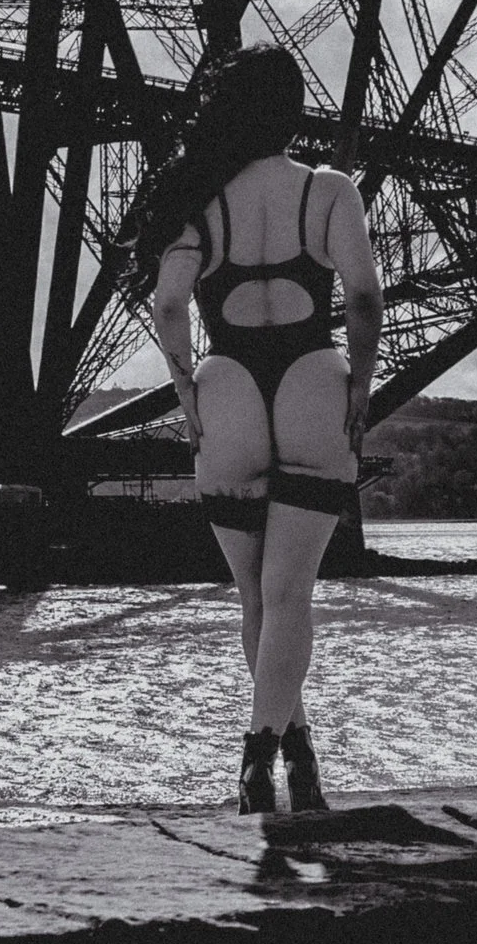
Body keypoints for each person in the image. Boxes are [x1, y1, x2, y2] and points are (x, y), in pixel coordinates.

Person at [131, 46, 383, 813]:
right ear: (293, 112)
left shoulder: (201, 198)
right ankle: (261, 752)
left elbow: (168, 304)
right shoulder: (329, 190)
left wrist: (185, 388)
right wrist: (361, 384)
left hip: (229, 386)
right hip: (312, 380)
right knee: (290, 593)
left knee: (256, 599)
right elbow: (363, 297)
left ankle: (294, 755)